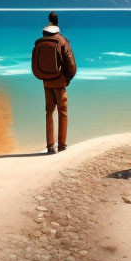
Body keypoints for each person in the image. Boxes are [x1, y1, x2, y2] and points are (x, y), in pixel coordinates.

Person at [31, 11, 77, 154]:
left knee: (49, 112)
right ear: (58, 25)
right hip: (60, 81)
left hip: (46, 81)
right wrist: (67, 78)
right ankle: (62, 145)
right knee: (62, 112)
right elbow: (71, 65)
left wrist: (44, 76)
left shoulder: (40, 42)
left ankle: (50, 146)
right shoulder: (62, 41)